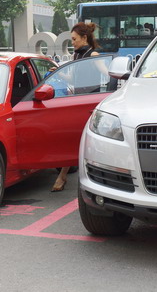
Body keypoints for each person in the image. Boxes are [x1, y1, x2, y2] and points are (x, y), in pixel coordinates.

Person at [51, 22, 99, 192]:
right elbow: (72, 80)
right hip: (76, 101)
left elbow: (108, 74)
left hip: (90, 103)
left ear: (84, 38)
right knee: (71, 138)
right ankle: (63, 176)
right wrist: (58, 72)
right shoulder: (76, 56)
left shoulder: (93, 55)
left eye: (74, 39)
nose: (72, 43)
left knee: (84, 140)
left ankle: (63, 177)